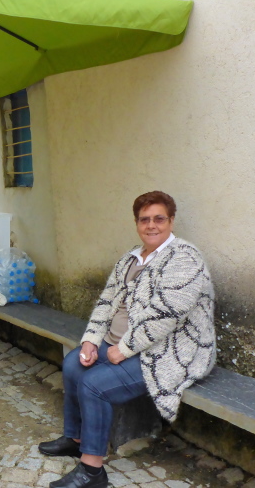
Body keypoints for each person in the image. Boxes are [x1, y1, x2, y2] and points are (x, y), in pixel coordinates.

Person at [38, 191, 216, 488]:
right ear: (137, 224)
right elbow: (107, 301)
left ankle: (93, 471)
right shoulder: (131, 258)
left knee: (94, 385)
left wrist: (123, 349)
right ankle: (77, 439)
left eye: (159, 219)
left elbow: (167, 315)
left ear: (171, 221)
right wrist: (91, 340)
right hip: (117, 343)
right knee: (72, 364)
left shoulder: (184, 258)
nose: (151, 225)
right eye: (144, 220)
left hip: (165, 353)